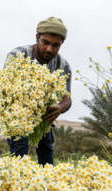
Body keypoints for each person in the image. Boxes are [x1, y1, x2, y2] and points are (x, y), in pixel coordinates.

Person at [5, 17, 72, 166]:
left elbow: (67, 98)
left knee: (46, 148)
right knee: (19, 149)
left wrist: (60, 107)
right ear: (37, 37)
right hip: (19, 114)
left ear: (62, 44)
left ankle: (46, 183)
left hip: (44, 115)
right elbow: (7, 89)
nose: (49, 49)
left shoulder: (62, 65)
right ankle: (17, 183)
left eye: (55, 45)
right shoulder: (18, 55)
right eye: (45, 43)